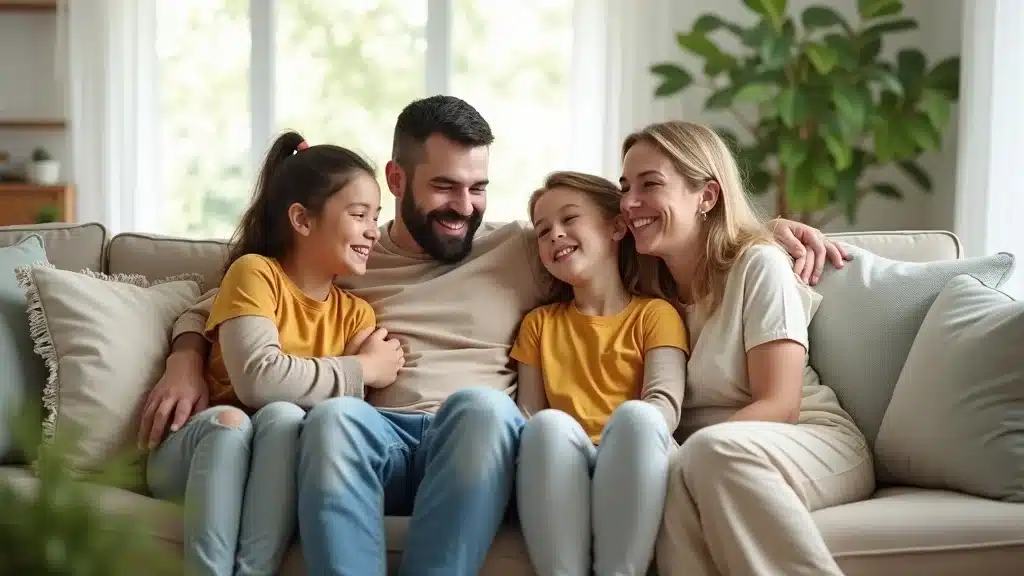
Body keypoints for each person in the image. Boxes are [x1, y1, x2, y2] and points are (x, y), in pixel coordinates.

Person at [136, 95, 850, 576]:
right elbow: (238, 289)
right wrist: (187, 352)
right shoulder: (349, 244)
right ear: (396, 178)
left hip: (477, 444)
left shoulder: (519, 245)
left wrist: (765, 232)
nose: (466, 207)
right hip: (379, 438)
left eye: (478, 188)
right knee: (333, 419)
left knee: (479, 409)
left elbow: (625, 228)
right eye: (446, 188)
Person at [140, 131, 404, 576]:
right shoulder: (255, 274)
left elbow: (341, 415)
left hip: (275, 458)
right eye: (359, 215)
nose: (374, 231)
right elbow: (258, 379)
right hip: (198, 448)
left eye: (376, 216)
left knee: (284, 419)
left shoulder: (356, 314)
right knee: (234, 421)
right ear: (302, 220)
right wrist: (362, 368)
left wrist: (358, 374)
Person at [617, 120, 872, 576]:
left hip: (808, 439)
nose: (630, 203)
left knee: (696, 458)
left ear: (708, 197)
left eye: (650, 185)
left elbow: (780, 404)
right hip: (709, 458)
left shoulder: (758, 265)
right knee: (675, 479)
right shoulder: (641, 291)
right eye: (625, 187)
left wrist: (685, 452)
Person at [511, 171, 687, 576]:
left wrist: (611, 454)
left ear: (616, 226)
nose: (555, 234)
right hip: (561, 463)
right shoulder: (538, 325)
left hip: (634, 459)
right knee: (548, 427)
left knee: (639, 415)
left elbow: (664, 405)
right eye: (542, 230)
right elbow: (529, 415)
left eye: (569, 219)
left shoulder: (655, 315)